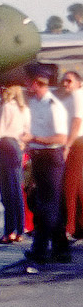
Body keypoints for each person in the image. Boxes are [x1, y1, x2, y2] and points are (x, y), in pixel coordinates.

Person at [23, 69, 71, 264]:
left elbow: (61, 137)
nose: (26, 84)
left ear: (37, 82)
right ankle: (61, 250)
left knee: (46, 206)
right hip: (38, 157)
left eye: (29, 81)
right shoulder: (33, 103)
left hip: (51, 157)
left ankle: (40, 250)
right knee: (49, 204)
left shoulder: (54, 106)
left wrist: (34, 138)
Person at [0, 83, 30, 244]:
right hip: (17, 146)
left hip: (5, 145)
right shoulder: (24, 109)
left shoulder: (8, 107)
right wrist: (23, 144)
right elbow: (28, 130)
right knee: (17, 190)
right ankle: (19, 230)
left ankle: (9, 231)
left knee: (6, 192)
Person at [60, 71, 83, 241]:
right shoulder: (75, 96)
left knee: (70, 185)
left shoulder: (77, 96)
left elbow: (77, 121)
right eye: (64, 81)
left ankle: (69, 226)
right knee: (78, 186)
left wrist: (67, 145)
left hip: (77, 142)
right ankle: (78, 226)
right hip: (78, 141)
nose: (66, 84)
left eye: (69, 81)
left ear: (79, 83)